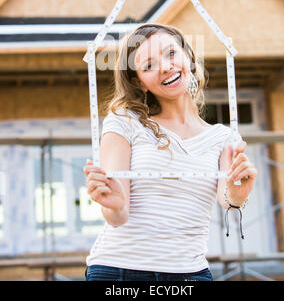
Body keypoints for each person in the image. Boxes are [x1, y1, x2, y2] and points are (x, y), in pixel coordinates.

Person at [83, 23, 257, 281]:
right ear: (138, 82)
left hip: (190, 273)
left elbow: (228, 199)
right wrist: (114, 205)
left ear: (189, 57)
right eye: (148, 65)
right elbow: (117, 216)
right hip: (119, 271)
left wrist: (238, 192)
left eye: (171, 53)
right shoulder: (124, 122)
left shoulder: (223, 138)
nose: (165, 66)